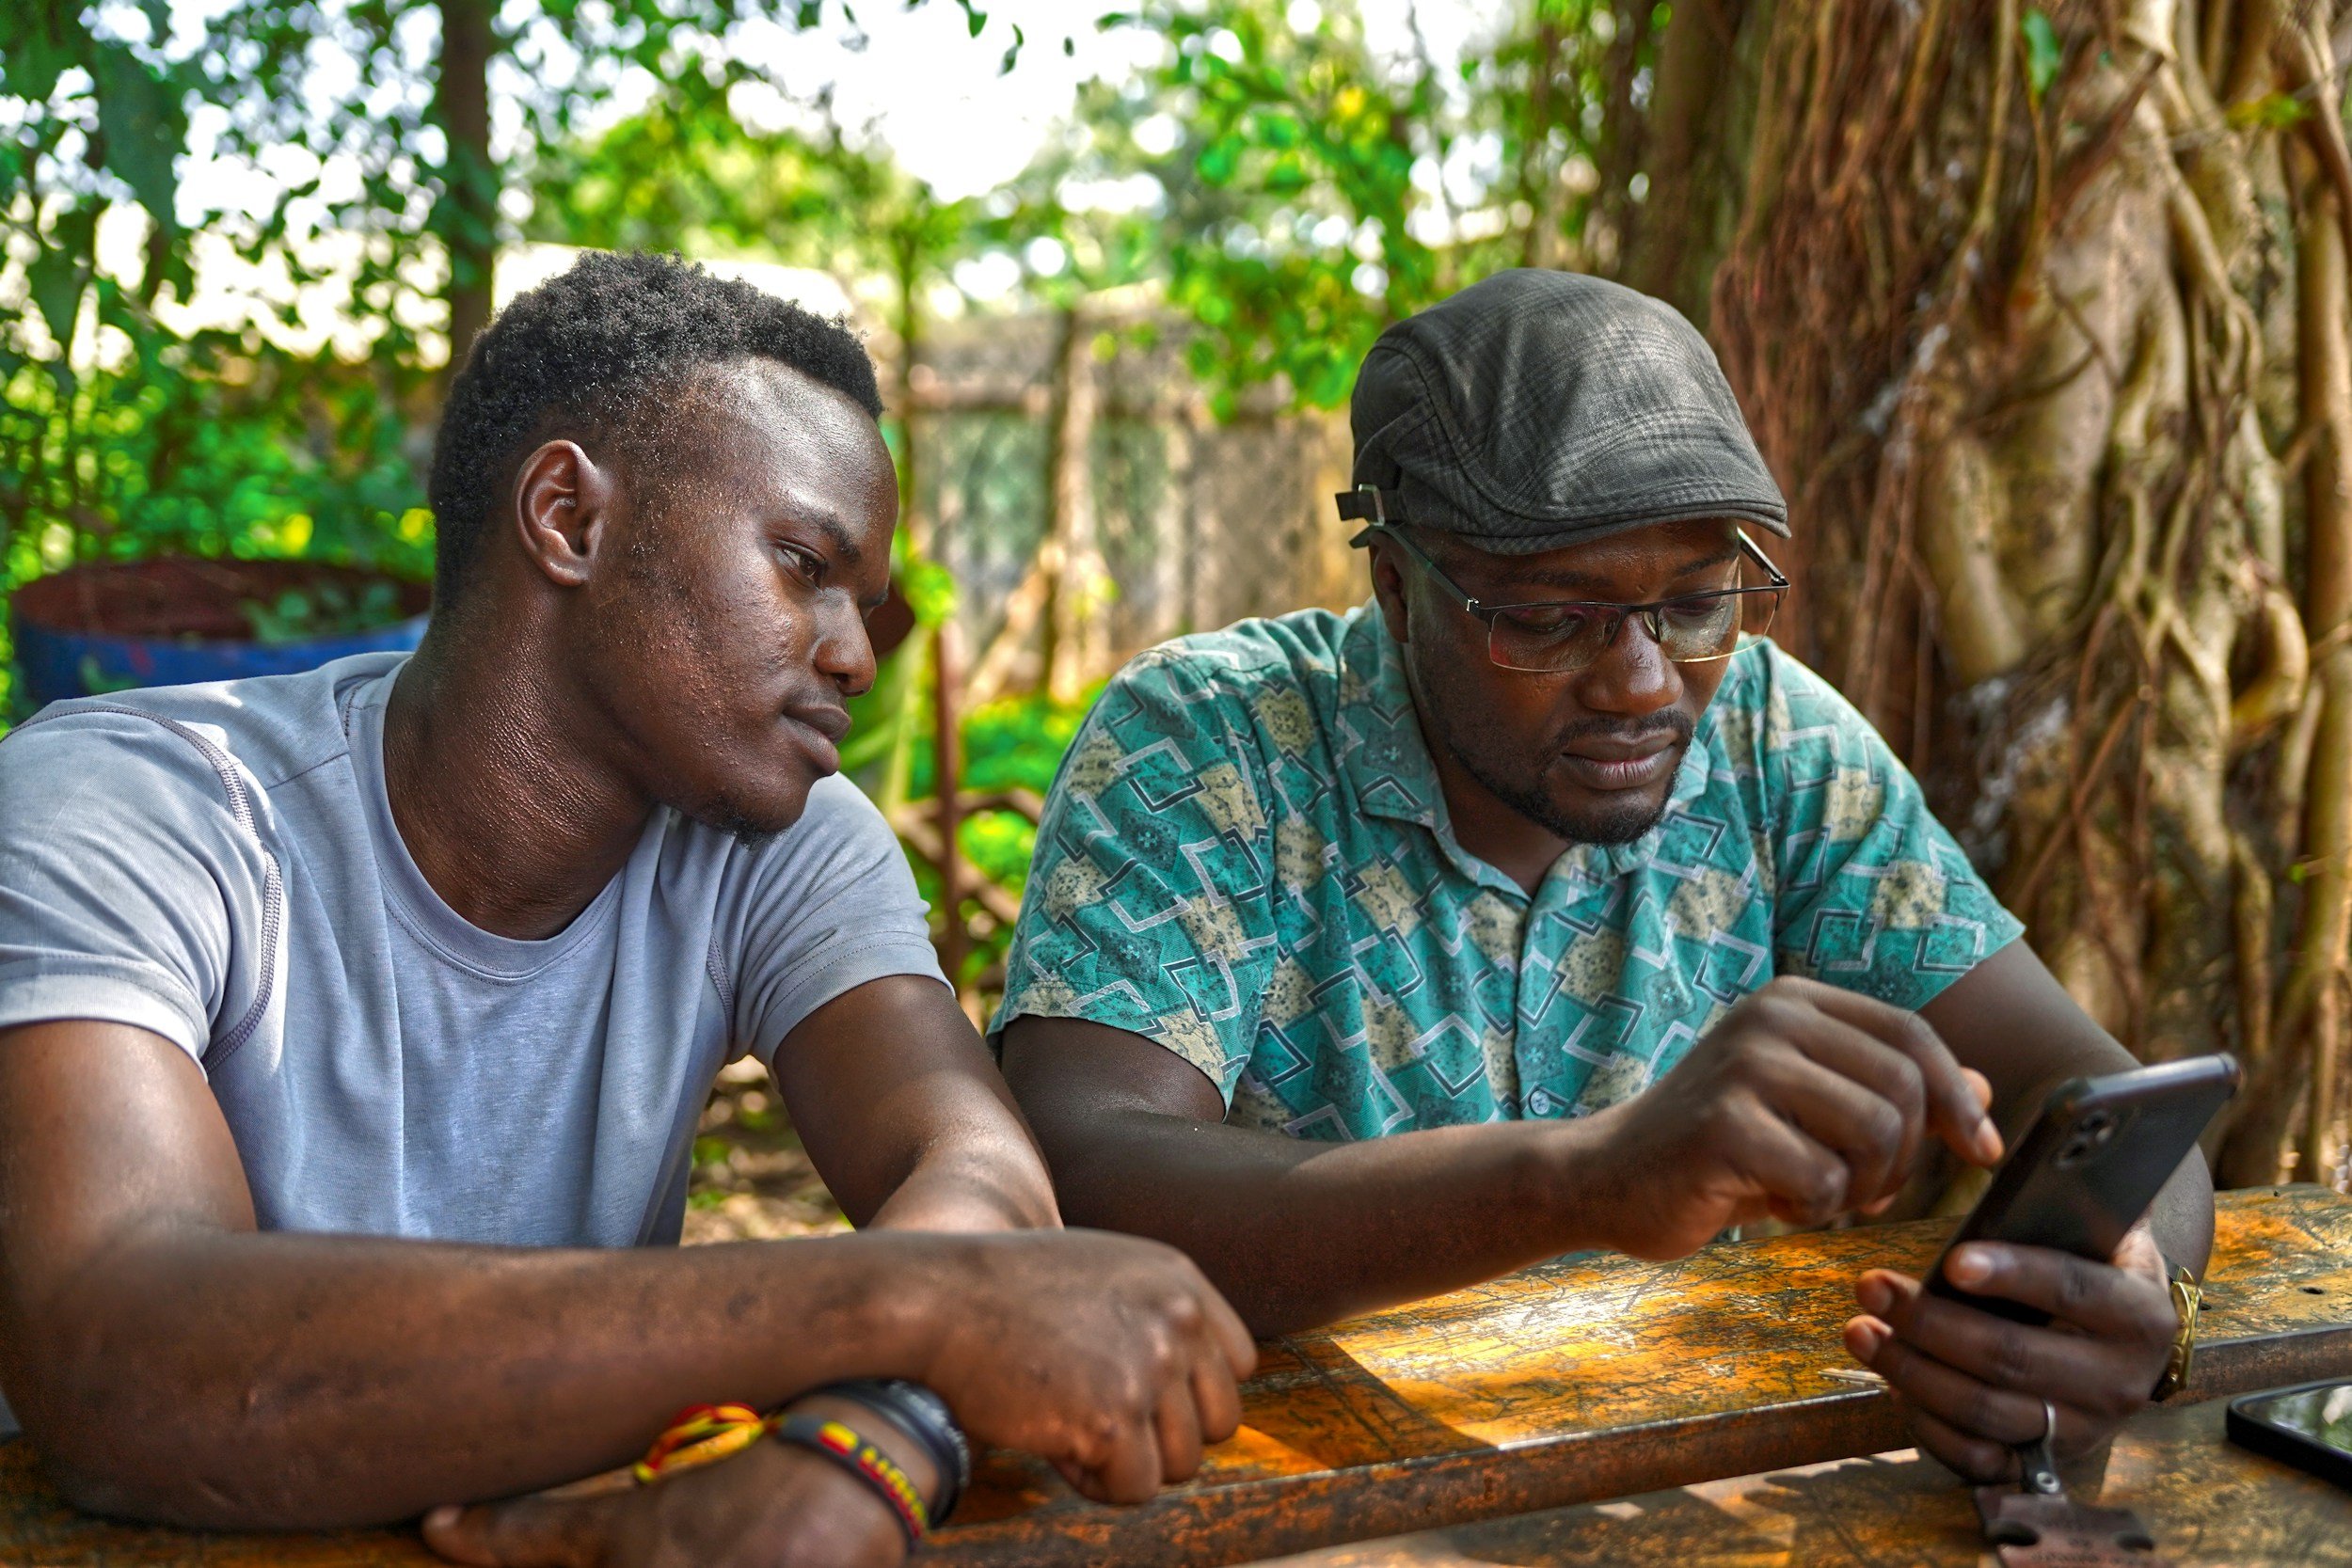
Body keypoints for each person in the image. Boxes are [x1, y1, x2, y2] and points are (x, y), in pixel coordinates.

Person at [0, 251, 1252, 1568]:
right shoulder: (127, 808)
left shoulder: (777, 839)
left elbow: (978, 1180)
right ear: (568, 518)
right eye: (802, 564)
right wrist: (911, 1303)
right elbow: (121, 1349)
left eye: (867, 605)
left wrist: (859, 1457)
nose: (854, 653)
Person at [994, 269, 2208, 1485]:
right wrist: (1585, 1181)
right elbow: (1090, 1170)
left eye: (1693, 603)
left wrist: (2118, 1287)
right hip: (1281, 1493)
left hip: (1673, 1479)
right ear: (1400, 585)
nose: (1640, 680)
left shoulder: (1771, 740)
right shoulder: (1215, 746)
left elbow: (2097, 1091)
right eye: (1553, 618)